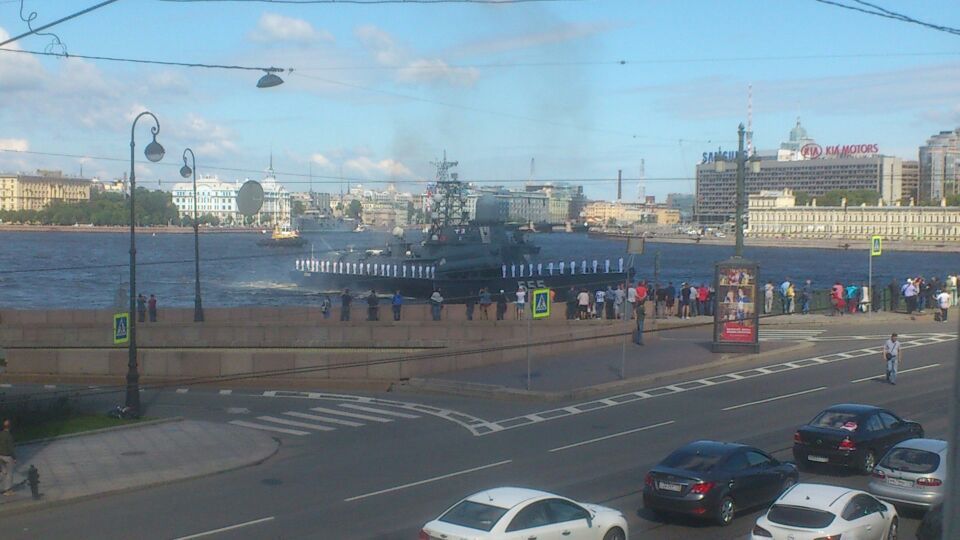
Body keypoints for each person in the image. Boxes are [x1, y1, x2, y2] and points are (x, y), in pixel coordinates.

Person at [0, 419, 14, 496]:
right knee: (9, 473)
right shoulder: (9, 435)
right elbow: (11, 448)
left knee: (3, 472)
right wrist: (14, 458)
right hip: (8, 456)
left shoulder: (0, 434)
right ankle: (8, 490)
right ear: (9, 427)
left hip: (0, 456)